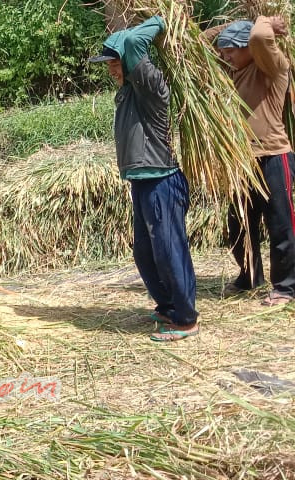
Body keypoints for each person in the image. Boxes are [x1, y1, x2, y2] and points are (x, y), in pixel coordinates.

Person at [90, 16, 200, 341]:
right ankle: (168, 305)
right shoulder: (128, 92)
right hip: (142, 181)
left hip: (162, 181)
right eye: (107, 64)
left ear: (129, 61)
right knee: (144, 252)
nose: (110, 70)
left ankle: (186, 318)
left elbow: (135, 42)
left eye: (114, 62)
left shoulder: (151, 87)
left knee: (168, 250)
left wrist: (160, 19)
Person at [203, 17, 295, 306]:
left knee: (280, 224)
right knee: (239, 224)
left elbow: (258, 37)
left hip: (273, 156)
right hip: (243, 162)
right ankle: (250, 277)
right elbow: (198, 42)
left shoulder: (271, 68)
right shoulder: (232, 71)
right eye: (223, 50)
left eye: (231, 49)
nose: (224, 55)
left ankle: (285, 287)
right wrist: (233, 23)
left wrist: (263, 20)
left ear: (249, 48)